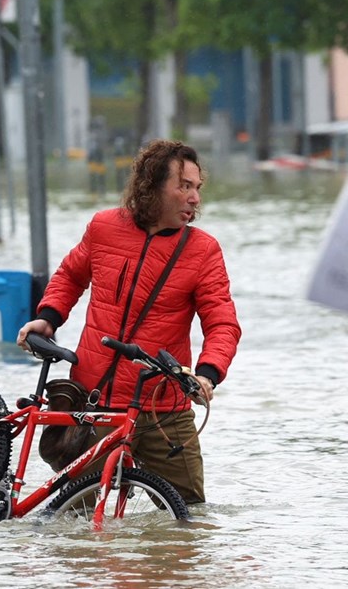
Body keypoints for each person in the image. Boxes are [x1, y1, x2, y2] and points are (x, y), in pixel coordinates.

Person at [17, 138, 241, 504]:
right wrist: (48, 317)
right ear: (152, 184)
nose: (195, 198)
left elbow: (222, 323)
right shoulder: (103, 226)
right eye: (184, 186)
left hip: (162, 406)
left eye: (197, 188)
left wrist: (207, 373)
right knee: (76, 516)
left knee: (189, 521)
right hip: (95, 400)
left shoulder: (204, 251)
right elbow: (71, 276)